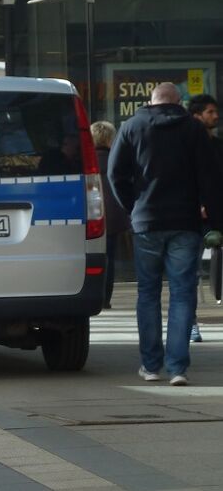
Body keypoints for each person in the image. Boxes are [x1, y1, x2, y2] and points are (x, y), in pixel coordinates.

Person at [108, 82, 223, 386]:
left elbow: (115, 173)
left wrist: (133, 207)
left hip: (146, 223)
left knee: (147, 294)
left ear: (151, 100)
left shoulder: (132, 126)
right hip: (185, 222)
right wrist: (215, 220)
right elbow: (211, 178)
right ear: (178, 102)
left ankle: (150, 365)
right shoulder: (194, 130)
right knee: (183, 294)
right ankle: (178, 368)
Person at [188, 94, 222, 342]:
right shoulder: (185, 145)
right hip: (194, 217)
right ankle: (191, 323)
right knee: (190, 273)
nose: (215, 116)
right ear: (197, 115)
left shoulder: (218, 145)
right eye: (210, 112)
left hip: (217, 213)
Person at [91, 121, 129, 309]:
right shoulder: (117, 158)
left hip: (92, 215)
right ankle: (106, 298)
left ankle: (94, 295)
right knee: (109, 258)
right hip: (113, 217)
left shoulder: (85, 161)